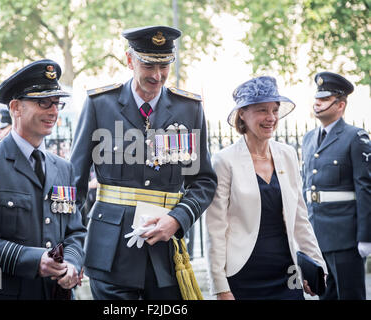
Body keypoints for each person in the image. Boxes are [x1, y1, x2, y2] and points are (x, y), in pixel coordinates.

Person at [70, 25, 217, 300]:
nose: (157, 75)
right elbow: (73, 182)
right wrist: (70, 246)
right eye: (148, 64)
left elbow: (204, 181)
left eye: (164, 65)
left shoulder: (189, 109)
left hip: (165, 255)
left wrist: (177, 219)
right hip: (109, 253)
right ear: (130, 60)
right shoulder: (100, 104)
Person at [0, 59, 86, 300]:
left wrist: (72, 263)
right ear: (15, 107)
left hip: (54, 293)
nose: (54, 111)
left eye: (57, 103)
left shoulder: (63, 168)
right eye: (43, 102)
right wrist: (33, 260)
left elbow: (75, 231)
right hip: (1, 292)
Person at [206, 76, 327, 300]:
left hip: (287, 273)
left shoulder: (288, 154)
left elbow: (300, 217)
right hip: (242, 275)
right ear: (242, 113)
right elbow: (215, 230)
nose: (271, 118)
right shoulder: (224, 160)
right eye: (262, 110)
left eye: (275, 110)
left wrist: (318, 264)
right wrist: (221, 288)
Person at [301, 71, 371, 300]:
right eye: (316, 98)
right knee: (325, 296)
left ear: (340, 105)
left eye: (324, 99)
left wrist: (365, 237)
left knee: (351, 295)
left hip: (346, 238)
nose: (317, 103)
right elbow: (306, 186)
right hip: (318, 234)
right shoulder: (309, 138)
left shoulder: (355, 137)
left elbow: (365, 188)